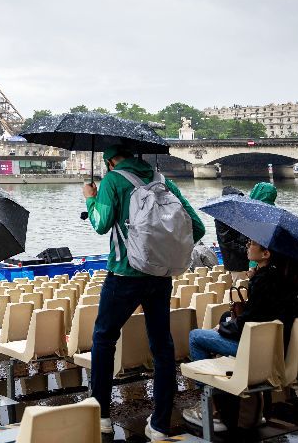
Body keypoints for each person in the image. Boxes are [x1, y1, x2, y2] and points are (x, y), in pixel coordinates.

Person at [82, 145, 206, 441]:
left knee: (103, 338)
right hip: (159, 276)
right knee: (162, 346)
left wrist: (90, 198)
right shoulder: (163, 180)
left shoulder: (113, 180)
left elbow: (100, 224)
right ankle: (161, 423)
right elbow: (197, 228)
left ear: (109, 160)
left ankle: (101, 415)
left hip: (125, 273)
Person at [183, 240, 298, 431]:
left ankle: (212, 404)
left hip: (260, 350)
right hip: (286, 344)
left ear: (266, 254)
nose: (247, 245)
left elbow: (251, 321)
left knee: (196, 337)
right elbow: (271, 312)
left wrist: (221, 328)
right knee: (224, 318)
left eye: (252, 243)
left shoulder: (266, 279)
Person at [215, 186, 249, 274]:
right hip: (235, 261)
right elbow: (227, 241)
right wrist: (246, 250)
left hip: (244, 258)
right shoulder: (221, 217)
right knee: (240, 284)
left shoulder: (238, 215)